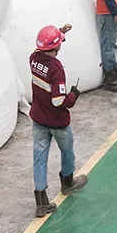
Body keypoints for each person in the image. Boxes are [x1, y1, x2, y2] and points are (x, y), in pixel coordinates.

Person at [29, 23, 87, 217]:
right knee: (67, 152)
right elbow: (58, 101)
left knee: (39, 160)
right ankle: (68, 182)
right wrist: (73, 95)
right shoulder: (56, 69)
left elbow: (43, 47)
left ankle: (41, 202)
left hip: (38, 119)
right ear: (57, 47)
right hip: (57, 123)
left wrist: (59, 33)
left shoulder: (33, 60)